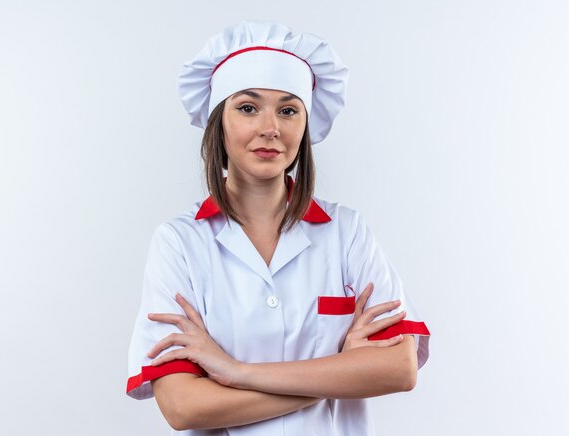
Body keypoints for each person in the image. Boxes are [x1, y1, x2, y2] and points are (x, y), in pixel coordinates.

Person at [126, 20, 431, 435]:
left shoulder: (347, 232)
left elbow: (399, 367)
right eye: (248, 108)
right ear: (219, 123)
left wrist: (234, 371)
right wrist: (339, 372)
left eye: (288, 110)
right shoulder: (179, 243)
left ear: (305, 125)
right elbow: (184, 406)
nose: (270, 128)